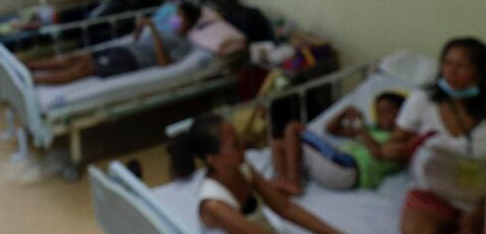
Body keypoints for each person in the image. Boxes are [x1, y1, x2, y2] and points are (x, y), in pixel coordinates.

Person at [376, 37, 486, 234]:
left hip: (480, 200)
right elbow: (394, 143)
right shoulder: (423, 101)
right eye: (447, 63)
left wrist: (479, 212)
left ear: (480, 74)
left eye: (461, 66)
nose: (451, 71)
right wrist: (394, 150)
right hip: (432, 193)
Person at [168, 114, 343, 234]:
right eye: (235, 144)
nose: (244, 144)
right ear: (213, 159)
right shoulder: (213, 205)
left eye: (239, 137)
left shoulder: (243, 168)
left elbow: (287, 208)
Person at [26, 1, 200, 85]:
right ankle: (29, 66)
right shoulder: (167, 30)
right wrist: (139, 28)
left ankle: (34, 80)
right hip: (125, 49)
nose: (174, 18)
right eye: (176, 14)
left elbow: (163, 63)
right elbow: (136, 40)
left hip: (131, 60)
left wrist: (154, 31)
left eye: (180, 16)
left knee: (84, 68)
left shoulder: (185, 44)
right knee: (78, 57)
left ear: (189, 23)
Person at [270, 92, 406, 195]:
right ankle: (284, 179)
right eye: (379, 112)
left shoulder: (400, 140)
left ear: (404, 112)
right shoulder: (372, 130)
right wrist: (343, 112)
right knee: (278, 144)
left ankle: (293, 183)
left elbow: (377, 153)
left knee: (293, 127)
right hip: (336, 163)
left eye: (389, 111)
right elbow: (331, 129)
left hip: (350, 170)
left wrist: (362, 128)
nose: (383, 117)